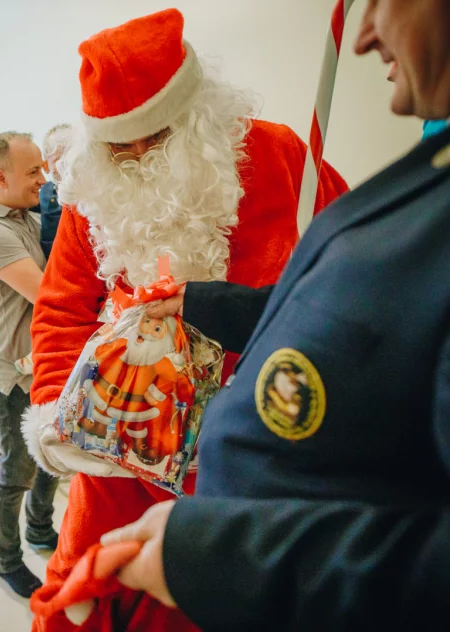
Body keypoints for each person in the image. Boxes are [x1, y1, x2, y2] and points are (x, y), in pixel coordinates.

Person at [100, 0, 450, 629]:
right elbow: (341, 305)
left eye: (386, 1)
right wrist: (204, 301)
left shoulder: (285, 156)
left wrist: (233, 557)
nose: (367, 33)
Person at [21, 9, 349, 631]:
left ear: (198, 110)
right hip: (118, 440)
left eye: (160, 136)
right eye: (123, 146)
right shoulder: (88, 193)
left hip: (241, 452)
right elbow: (62, 304)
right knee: (78, 596)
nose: (142, 158)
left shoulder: (283, 158)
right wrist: (53, 409)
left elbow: (354, 280)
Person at [0, 131, 60, 598]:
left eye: (43, 169)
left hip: (43, 367)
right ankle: (8, 559)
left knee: (51, 461)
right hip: (13, 377)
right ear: (0, 178)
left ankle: (41, 530)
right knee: (17, 472)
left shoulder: (26, 216)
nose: (42, 180)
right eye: (33, 172)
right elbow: (47, 296)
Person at [36, 123, 71, 258]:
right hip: (51, 260)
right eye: (59, 159)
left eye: (72, 157)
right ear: (46, 166)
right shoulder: (44, 192)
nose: (66, 165)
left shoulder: (89, 194)